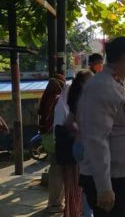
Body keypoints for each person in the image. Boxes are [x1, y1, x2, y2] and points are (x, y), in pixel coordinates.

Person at [78, 36, 125, 217]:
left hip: (119, 174)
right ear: (122, 59)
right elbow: (96, 139)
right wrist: (104, 188)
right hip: (108, 179)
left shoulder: (117, 82)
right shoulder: (102, 87)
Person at [54, 69, 94, 217]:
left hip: (77, 147)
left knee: (83, 185)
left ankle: (81, 213)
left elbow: (69, 122)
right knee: (91, 186)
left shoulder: (73, 98)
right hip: (87, 147)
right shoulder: (89, 98)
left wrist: (79, 132)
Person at [38, 74, 66, 214]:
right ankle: (55, 204)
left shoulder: (45, 98)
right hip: (54, 138)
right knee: (58, 171)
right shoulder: (56, 99)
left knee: (55, 169)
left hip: (46, 137)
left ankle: (54, 203)